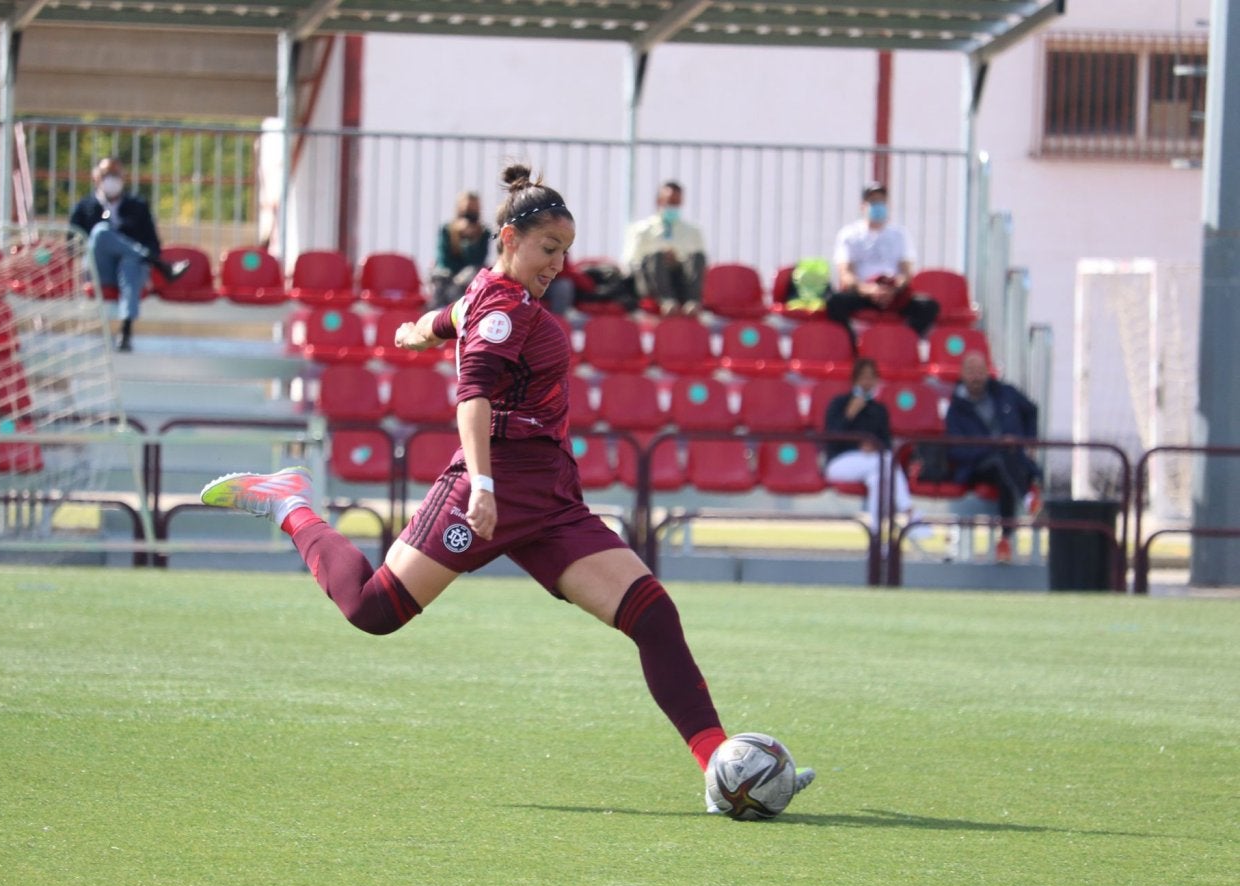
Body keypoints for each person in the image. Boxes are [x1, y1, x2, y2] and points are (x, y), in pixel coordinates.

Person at [199, 164, 813, 814]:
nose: (557, 264)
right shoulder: (501, 310)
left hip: (549, 497)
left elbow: (458, 311)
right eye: (549, 248)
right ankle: (289, 503)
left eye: (565, 252)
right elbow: (472, 398)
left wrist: (422, 329)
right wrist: (483, 485)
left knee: (653, 615)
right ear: (510, 236)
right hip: (492, 487)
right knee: (372, 611)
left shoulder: (494, 299)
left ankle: (721, 768)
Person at [69, 157, 188, 352]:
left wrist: (129, 250)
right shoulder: (84, 208)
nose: (111, 179)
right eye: (106, 174)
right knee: (100, 232)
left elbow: (153, 243)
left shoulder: (138, 207)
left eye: (115, 174)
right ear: (96, 177)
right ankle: (160, 265)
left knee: (131, 261)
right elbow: (72, 245)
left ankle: (126, 330)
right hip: (100, 270)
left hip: (130, 272)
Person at [943, 350, 1042, 562]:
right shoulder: (956, 410)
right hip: (976, 466)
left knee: (1004, 470)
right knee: (1001, 460)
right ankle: (1028, 498)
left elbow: (1031, 410)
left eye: (980, 371)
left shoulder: (1006, 393)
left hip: (1011, 461)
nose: (976, 376)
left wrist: (1029, 441)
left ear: (988, 372)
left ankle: (1005, 540)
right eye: (971, 371)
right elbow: (957, 450)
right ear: (962, 374)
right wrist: (995, 445)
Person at [823, 357, 932, 544]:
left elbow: (886, 442)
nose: (867, 382)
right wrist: (849, 415)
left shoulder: (879, 409)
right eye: (863, 377)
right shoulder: (839, 403)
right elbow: (831, 438)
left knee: (878, 480)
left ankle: (878, 537)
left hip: (873, 463)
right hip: (839, 463)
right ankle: (909, 512)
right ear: (854, 379)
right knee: (886, 460)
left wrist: (873, 447)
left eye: (871, 377)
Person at [825, 182, 939, 341]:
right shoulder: (849, 234)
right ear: (863, 206)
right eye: (873, 201)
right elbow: (845, 273)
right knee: (834, 303)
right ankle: (853, 346)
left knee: (928, 306)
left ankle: (902, 342)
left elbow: (906, 271)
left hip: (893, 293)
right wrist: (868, 289)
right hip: (863, 293)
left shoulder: (899, 234)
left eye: (881, 201)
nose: (878, 206)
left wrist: (894, 288)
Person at [622, 181, 707, 316]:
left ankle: (692, 302)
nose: (673, 206)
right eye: (669, 201)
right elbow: (631, 261)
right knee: (657, 257)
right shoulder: (641, 230)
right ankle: (667, 301)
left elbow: (698, 264)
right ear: (659, 201)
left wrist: (677, 259)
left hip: (680, 281)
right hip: (651, 283)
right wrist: (660, 258)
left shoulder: (693, 231)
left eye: (676, 202)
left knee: (697, 257)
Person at [430, 191, 493, 308]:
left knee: (473, 274)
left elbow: (478, 260)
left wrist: (469, 241)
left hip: (468, 278)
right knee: (439, 275)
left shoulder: (484, 233)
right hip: (447, 278)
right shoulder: (447, 230)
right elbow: (443, 260)